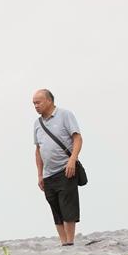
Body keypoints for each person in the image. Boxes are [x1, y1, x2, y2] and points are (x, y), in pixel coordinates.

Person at [33, 89, 82, 246]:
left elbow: (77, 138)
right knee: (56, 209)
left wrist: (72, 160)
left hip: (65, 169)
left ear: (49, 101)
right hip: (48, 174)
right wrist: (40, 175)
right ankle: (63, 242)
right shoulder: (37, 124)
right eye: (34, 103)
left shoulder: (65, 115)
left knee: (68, 207)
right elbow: (38, 150)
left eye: (38, 102)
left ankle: (70, 241)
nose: (35, 106)